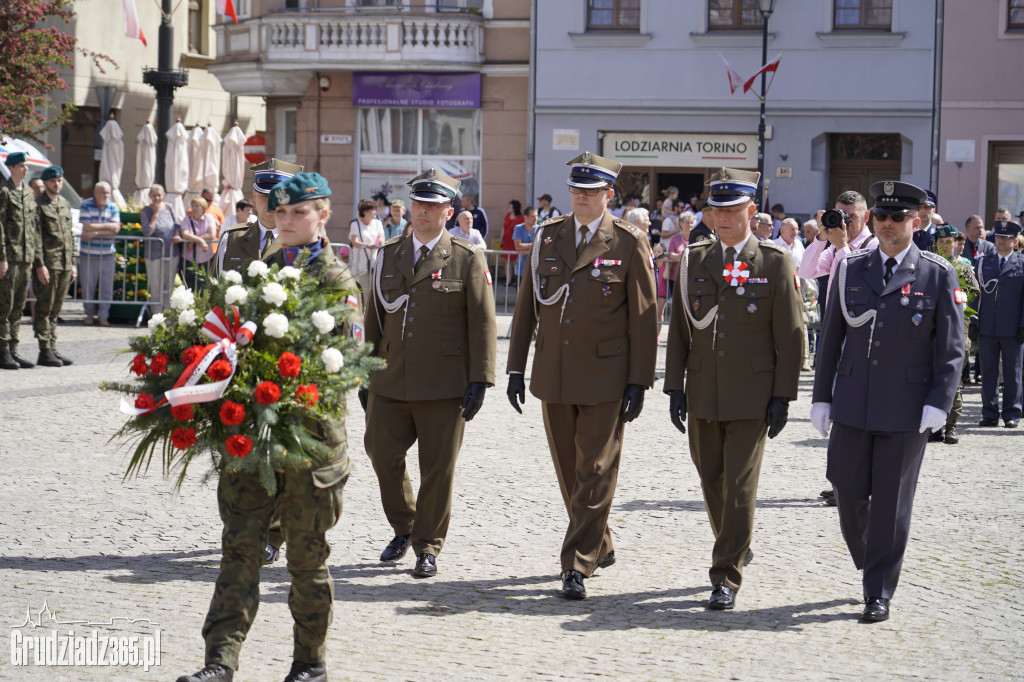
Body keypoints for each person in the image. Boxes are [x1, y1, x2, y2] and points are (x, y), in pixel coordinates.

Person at [177, 172, 361, 682]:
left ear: (322, 215)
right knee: (238, 547)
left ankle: (309, 662)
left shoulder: (338, 281)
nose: (286, 222)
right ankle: (220, 661)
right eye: (279, 213)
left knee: (306, 559)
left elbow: (341, 366)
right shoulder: (256, 274)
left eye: (298, 212)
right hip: (252, 440)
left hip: (309, 444)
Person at [506, 152, 658, 600]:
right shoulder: (548, 237)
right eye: (576, 191)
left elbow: (644, 318)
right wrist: (516, 368)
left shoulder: (628, 242)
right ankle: (601, 541)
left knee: (595, 468)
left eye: (591, 192)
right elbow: (526, 308)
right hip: (554, 373)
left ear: (609, 195)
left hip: (606, 375)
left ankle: (576, 565)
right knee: (571, 471)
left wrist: (639, 379)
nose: (582, 199)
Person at [811, 180, 964, 623]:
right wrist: (822, 398)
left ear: (916, 221)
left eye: (898, 217)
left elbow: (952, 347)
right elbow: (831, 338)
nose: (888, 224)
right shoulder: (850, 267)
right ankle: (871, 557)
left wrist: (940, 402)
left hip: (907, 407)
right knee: (845, 486)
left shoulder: (937, 272)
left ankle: (877, 588)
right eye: (881, 216)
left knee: (892, 502)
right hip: (854, 401)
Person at [664, 167, 803, 611]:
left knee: (740, 486)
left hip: (752, 393)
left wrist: (783, 395)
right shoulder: (695, 259)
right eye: (715, 209)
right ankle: (736, 542)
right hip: (704, 387)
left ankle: (725, 575)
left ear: (751, 211)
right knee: (711, 479)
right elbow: (682, 328)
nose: (721, 218)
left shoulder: (775, 261)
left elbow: (791, 335)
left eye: (731, 210)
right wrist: (674, 387)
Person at [361, 168, 497, 579]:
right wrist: (365, 372)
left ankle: (427, 545)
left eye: (433, 205)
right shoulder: (388, 253)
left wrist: (481, 379)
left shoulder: (466, 256)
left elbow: (483, 321)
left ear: (449, 211)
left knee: (438, 468)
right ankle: (405, 526)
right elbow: (374, 317)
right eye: (419, 203)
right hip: (390, 377)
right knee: (380, 452)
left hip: (443, 383)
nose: (423, 211)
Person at [927, 225, 979, 445]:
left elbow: (974, 290)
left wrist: (960, 297)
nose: (946, 246)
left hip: (958, 328)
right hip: (933, 329)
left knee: (955, 377)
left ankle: (951, 425)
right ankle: (935, 426)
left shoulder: (962, 266)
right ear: (936, 244)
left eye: (950, 242)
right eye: (942, 242)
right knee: (932, 375)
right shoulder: (929, 265)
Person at [971, 220, 1024, 429]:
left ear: (1014, 241)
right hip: (988, 327)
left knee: (1013, 374)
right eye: (999, 237)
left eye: (1007, 238)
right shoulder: (984, 262)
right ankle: (989, 413)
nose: (1002, 241)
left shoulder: (1021, 264)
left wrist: (1023, 325)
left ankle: (1012, 413)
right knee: (989, 374)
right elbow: (977, 294)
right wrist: (974, 320)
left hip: (1013, 329)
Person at [214, 158, 302, 278]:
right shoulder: (231, 238)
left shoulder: (303, 242)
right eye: (264, 196)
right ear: (254, 196)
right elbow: (214, 290)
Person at [29, 165, 76, 368]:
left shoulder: (64, 205)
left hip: (64, 264)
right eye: (52, 181)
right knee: (44, 308)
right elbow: (35, 238)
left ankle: (52, 347)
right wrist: (39, 265)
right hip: (48, 264)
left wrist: (73, 262)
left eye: (59, 180)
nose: (56, 184)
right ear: (46, 183)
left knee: (56, 309)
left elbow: (70, 236)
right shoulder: (38, 206)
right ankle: (44, 349)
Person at [0, 152, 41, 370]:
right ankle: (2, 351)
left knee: (18, 306)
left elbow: (32, 228)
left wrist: (35, 258)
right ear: (12, 168)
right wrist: (2, 258)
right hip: (10, 258)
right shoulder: (5, 193)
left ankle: (13, 350)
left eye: (26, 166)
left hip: (25, 258)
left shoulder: (27, 194)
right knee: (4, 306)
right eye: (22, 166)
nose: (26, 169)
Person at [798, 190, 877, 284]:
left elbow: (856, 281)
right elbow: (805, 273)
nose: (845, 222)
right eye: (841, 216)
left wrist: (842, 247)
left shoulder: (875, 247)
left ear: (866, 216)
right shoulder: (835, 248)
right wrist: (821, 238)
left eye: (852, 216)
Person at [78, 181, 121, 327]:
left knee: (106, 288)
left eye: (108, 192)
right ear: (95, 193)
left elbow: (115, 230)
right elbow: (86, 226)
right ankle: (89, 315)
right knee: (87, 287)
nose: (106, 195)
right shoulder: (85, 204)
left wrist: (96, 232)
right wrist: (108, 227)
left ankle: (103, 316)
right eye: (103, 192)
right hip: (88, 254)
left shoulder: (113, 207)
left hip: (108, 254)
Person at [140, 183, 180, 314]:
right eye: (154, 195)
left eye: (159, 195)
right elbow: (147, 231)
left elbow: (176, 225)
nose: (157, 198)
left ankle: (167, 316)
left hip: (171, 252)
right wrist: (155, 214)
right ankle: (157, 316)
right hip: (153, 253)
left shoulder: (169, 207)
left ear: (163, 196)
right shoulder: (146, 211)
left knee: (168, 285)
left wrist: (177, 235)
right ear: (150, 196)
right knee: (156, 286)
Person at [348, 199, 385, 294]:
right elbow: (355, 242)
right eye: (372, 210)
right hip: (360, 264)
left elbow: (382, 239)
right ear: (364, 211)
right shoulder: (355, 224)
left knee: (374, 292)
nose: (375, 212)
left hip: (375, 262)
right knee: (361, 291)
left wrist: (379, 242)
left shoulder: (378, 223)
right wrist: (367, 245)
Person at [180, 197, 218, 288]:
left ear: (203, 208)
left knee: (202, 285)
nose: (194, 208)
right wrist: (201, 241)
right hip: (188, 259)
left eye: (197, 206)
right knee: (188, 286)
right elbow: (184, 233)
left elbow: (212, 234)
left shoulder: (209, 218)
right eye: (193, 206)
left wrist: (193, 241)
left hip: (205, 258)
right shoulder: (187, 219)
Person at [512, 205, 538, 281]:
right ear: (525, 217)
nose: (536, 218)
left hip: (536, 271)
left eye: (536, 216)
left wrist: (527, 251)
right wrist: (534, 245)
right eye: (533, 216)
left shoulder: (540, 229)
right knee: (519, 292)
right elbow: (518, 246)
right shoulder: (518, 228)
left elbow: (541, 247)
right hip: (521, 270)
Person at [502, 200, 524, 286]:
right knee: (507, 261)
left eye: (510, 207)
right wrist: (501, 238)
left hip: (515, 241)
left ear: (515, 208)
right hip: (507, 241)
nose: (509, 208)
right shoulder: (507, 216)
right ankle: (508, 280)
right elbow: (503, 227)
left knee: (515, 261)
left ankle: (516, 280)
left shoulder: (520, 217)